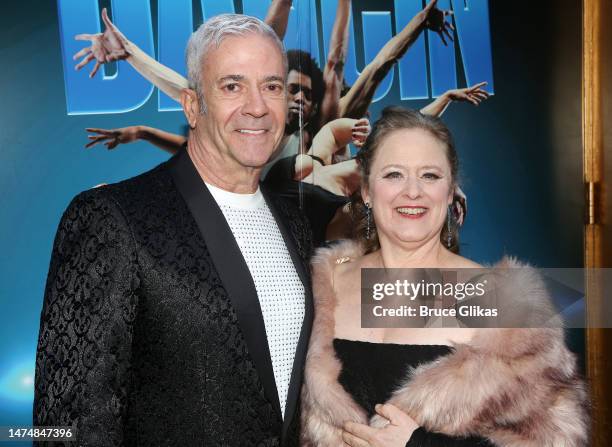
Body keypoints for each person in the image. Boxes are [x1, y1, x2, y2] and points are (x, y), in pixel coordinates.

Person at [34, 14, 313, 446]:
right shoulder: (113, 218)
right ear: (191, 105)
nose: (257, 106)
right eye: (232, 86)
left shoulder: (295, 225)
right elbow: (65, 425)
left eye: (272, 86)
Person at [300, 107, 589, 446]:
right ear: (365, 189)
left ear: (450, 191)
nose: (412, 192)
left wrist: (419, 445)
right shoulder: (319, 288)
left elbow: (558, 439)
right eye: (393, 174)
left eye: (430, 176)